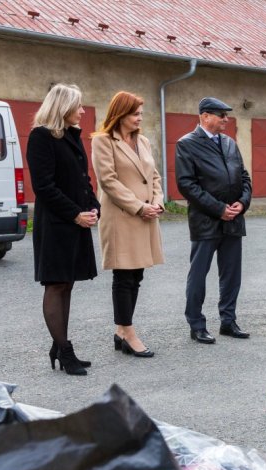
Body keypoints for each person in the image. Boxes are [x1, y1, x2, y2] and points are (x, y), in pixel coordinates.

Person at [27, 83, 99, 375]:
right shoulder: (40, 137)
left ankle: (59, 345)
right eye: (78, 106)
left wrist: (94, 206)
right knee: (56, 284)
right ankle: (64, 351)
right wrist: (75, 215)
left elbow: (82, 179)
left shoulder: (70, 135)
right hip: (58, 224)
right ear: (63, 107)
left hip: (76, 221)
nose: (82, 111)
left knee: (67, 283)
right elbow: (43, 186)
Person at [91, 91, 164, 358]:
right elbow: (108, 181)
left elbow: (153, 176)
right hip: (123, 216)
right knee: (123, 274)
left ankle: (121, 332)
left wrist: (158, 201)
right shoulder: (103, 142)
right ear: (120, 114)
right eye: (135, 114)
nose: (139, 118)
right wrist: (139, 206)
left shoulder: (142, 140)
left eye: (141, 114)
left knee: (137, 275)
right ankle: (128, 331)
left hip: (146, 217)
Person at [176, 97, 252, 344]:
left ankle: (228, 321)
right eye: (221, 115)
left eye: (226, 116)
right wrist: (218, 208)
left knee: (231, 275)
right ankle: (196, 324)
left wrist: (243, 202)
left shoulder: (230, 143)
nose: (226, 119)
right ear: (205, 116)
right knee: (198, 274)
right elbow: (186, 184)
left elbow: (244, 176)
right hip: (206, 221)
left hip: (233, 220)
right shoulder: (187, 144)